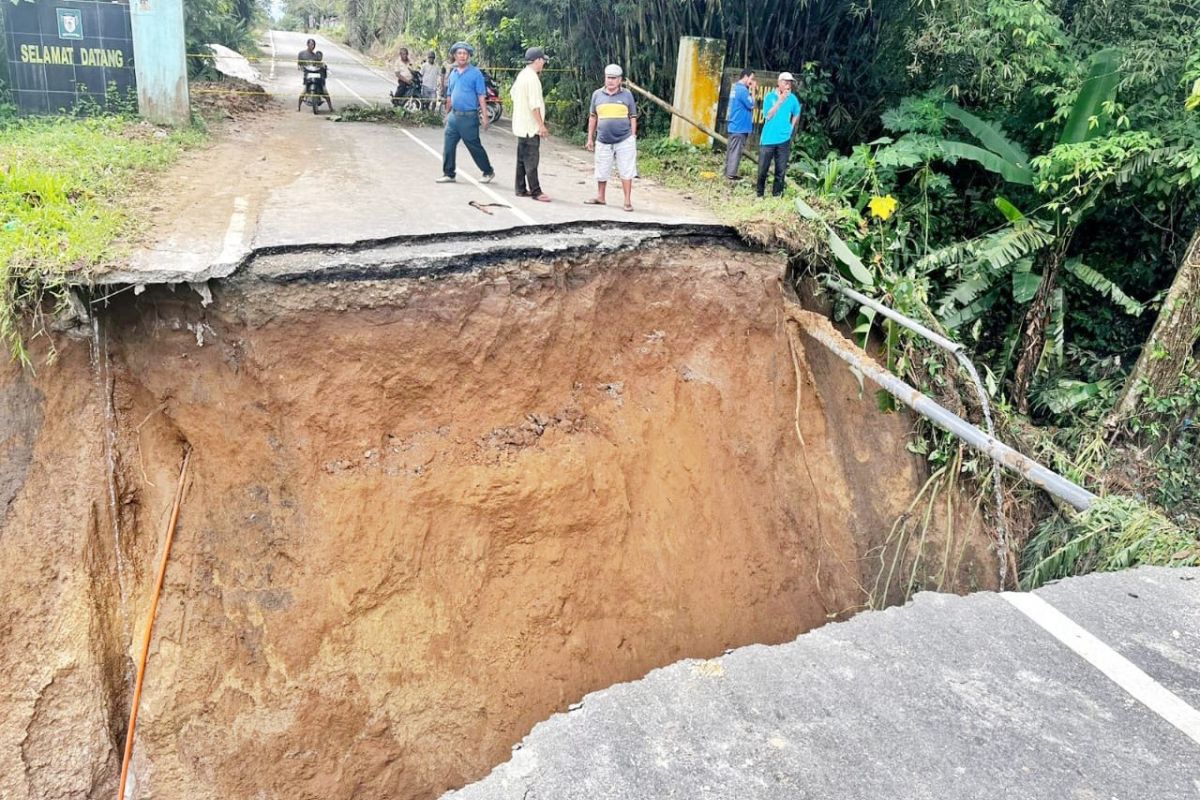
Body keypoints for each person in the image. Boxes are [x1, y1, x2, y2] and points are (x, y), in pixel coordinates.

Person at [437, 42, 495, 184]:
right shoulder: (453, 73)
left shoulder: (476, 74)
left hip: (469, 117)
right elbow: (450, 95)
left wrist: (485, 117)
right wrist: (447, 114)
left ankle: (488, 171)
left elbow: (481, 96)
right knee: (449, 144)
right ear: (455, 56)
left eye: (465, 53)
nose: (462, 56)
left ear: (468, 56)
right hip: (454, 116)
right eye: (459, 53)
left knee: (473, 145)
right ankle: (449, 173)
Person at [585, 63, 638, 212]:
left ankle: (627, 201)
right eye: (608, 78)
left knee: (626, 170)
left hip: (625, 139)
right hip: (603, 139)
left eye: (614, 78)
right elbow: (593, 117)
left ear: (620, 80)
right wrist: (590, 138)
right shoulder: (597, 95)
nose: (610, 81)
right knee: (601, 169)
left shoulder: (627, 95)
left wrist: (633, 136)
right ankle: (601, 197)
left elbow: (633, 116)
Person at [510, 47, 551, 202]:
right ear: (538, 60)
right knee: (531, 159)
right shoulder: (533, 78)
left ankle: (520, 187)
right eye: (543, 60)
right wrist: (541, 125)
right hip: (530, 126)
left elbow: (513, 94)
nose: (544, 63)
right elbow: (535, 105)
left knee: (521, 159)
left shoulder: (522, 75)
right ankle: (536, 191)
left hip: (520, 124)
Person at [756, 71, 801, 198]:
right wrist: (780, 101)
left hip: (784, 139)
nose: (788, 85)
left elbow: (797, 111)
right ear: (779, 83)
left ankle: (777, 195)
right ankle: (759, 194)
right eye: (786, 82)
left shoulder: (793, 99)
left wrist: (791, 127)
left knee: (780, 170)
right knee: (762, 170)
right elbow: (768, 115)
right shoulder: (770, 97)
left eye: (790, 83)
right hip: (768, 139)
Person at [725, 69, 756, 180]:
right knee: (736, 151)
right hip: (740, 126)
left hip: (734, 124)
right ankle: (731, 174)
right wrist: (753, 90)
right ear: (745, 77)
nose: (752, 81)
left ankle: (728, 172)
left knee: (732, 150)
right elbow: (752, 104)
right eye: (751, 79)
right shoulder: (743, 90)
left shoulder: (735, 88)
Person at [296, 39, 332, 112]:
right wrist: (301, 67)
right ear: (307, 44)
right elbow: (299, 64)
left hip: (317, 76)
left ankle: (330, 107)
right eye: (311, 44)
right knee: (304, 91)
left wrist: (324, 67)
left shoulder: (315, 56)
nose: (312, 46)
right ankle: (298, 107)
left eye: (314, 45)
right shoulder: (301, 54)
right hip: (308, 76)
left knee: (325, 92)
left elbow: (320, 64)